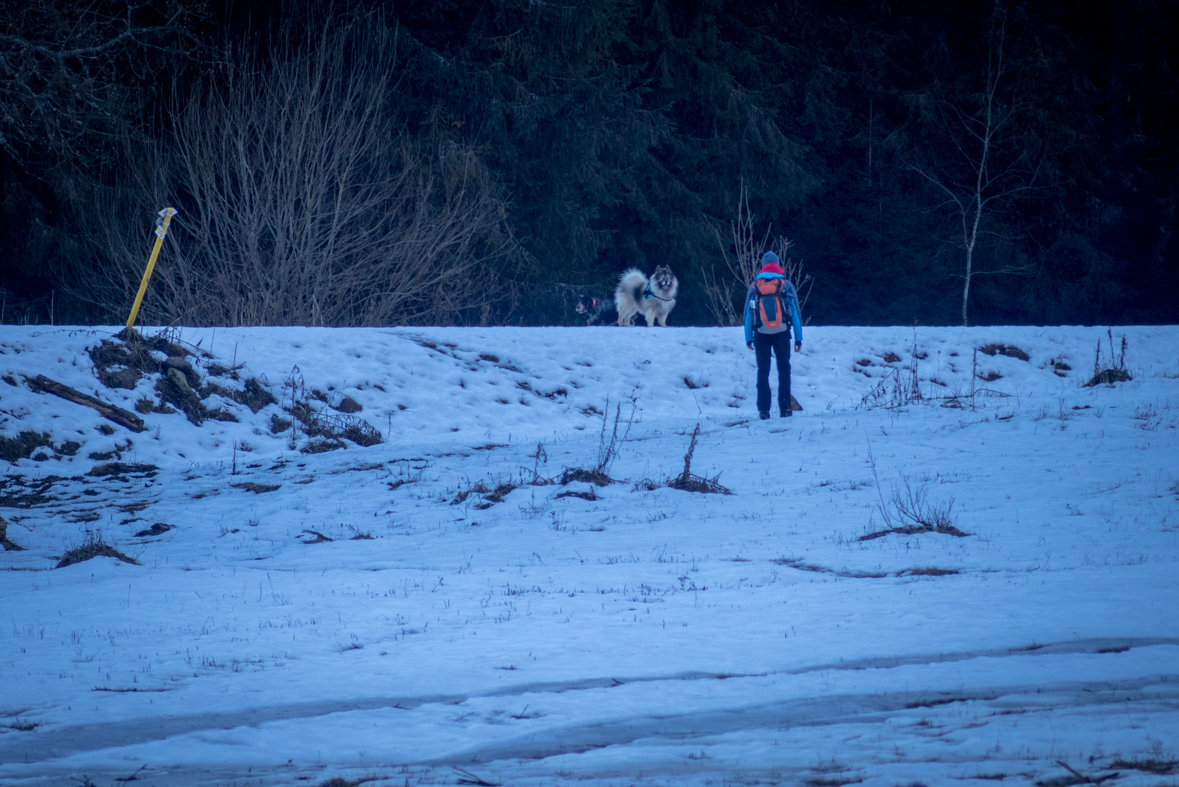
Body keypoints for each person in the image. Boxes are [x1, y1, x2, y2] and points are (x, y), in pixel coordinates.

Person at [743, 252, 803, 419]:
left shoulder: (755, 286)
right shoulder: (786, 284)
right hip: (782, 333)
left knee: (763, 371)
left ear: (762, 265)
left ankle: (763, 410)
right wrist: (799, 338)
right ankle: (785, 409)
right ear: (777, 265)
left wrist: (748, 337)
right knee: (784, 369)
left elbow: (748, 314)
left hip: (761, 333)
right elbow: (796, 313)